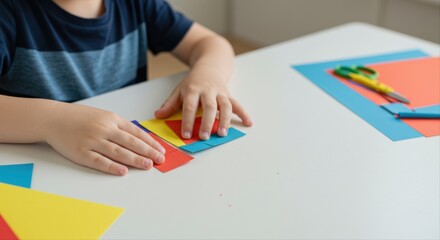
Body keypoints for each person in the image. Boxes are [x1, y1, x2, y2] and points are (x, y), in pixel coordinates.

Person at [0, 0, 253, 176]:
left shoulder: (137, 3)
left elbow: (210, 43)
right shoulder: (8, 12)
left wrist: (208, 75)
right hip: (45, 169)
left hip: (130, 170)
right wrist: (52, 121)